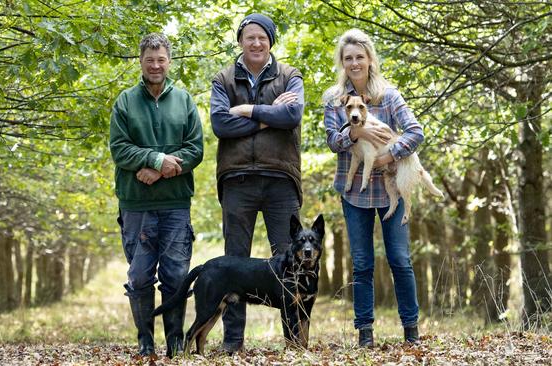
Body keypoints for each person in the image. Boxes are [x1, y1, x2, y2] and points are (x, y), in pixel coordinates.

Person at [209, 13, 304, 353]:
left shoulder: (290, 76)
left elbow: (291, 116)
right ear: (240, 41)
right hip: (237, 180)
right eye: (249, 37)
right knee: (234, 262)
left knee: (292, 261)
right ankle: (233, 342)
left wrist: (247, 109)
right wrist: (266, 118)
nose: (256, 43)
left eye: (262, 37)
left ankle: (295, 342)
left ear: (270, 41)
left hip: (282, 179)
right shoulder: (223, 79)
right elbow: (221, 125)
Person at [323, 28, 423, 347]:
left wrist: (389, 156)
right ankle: (364, 332)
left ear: (369, 60)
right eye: (348, 58)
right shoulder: (334, 100)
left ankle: (411, 330)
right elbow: (332, 142)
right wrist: (356, 135)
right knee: (363, 263)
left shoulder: (389, 96)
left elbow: (415, 132)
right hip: (354, 193)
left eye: (359, 57)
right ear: (342, 62)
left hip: (389, 189)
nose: (354, 63)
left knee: (399, 259)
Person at [109, 33, 204, 358]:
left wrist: (162, 169)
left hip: (175, 204)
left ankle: (175, 343)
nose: (155, 65)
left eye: (161, 59)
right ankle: (145, 340)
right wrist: (154, 158)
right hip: (136, 205)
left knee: (176, 275)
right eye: (149, 59)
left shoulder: (184, 100)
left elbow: (195, 149)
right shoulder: (124, 102)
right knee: (139, 276)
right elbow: (119, 148)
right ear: (141, 61)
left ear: (169, 61)